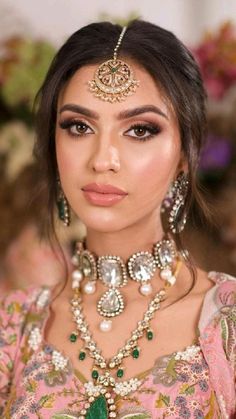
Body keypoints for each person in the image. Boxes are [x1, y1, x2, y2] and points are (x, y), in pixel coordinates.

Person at [0, 20, 235, 418]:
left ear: (185, 153)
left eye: (140, 130)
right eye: (79, 126)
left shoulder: (225, 324)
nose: (102, 159)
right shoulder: (14, 328)